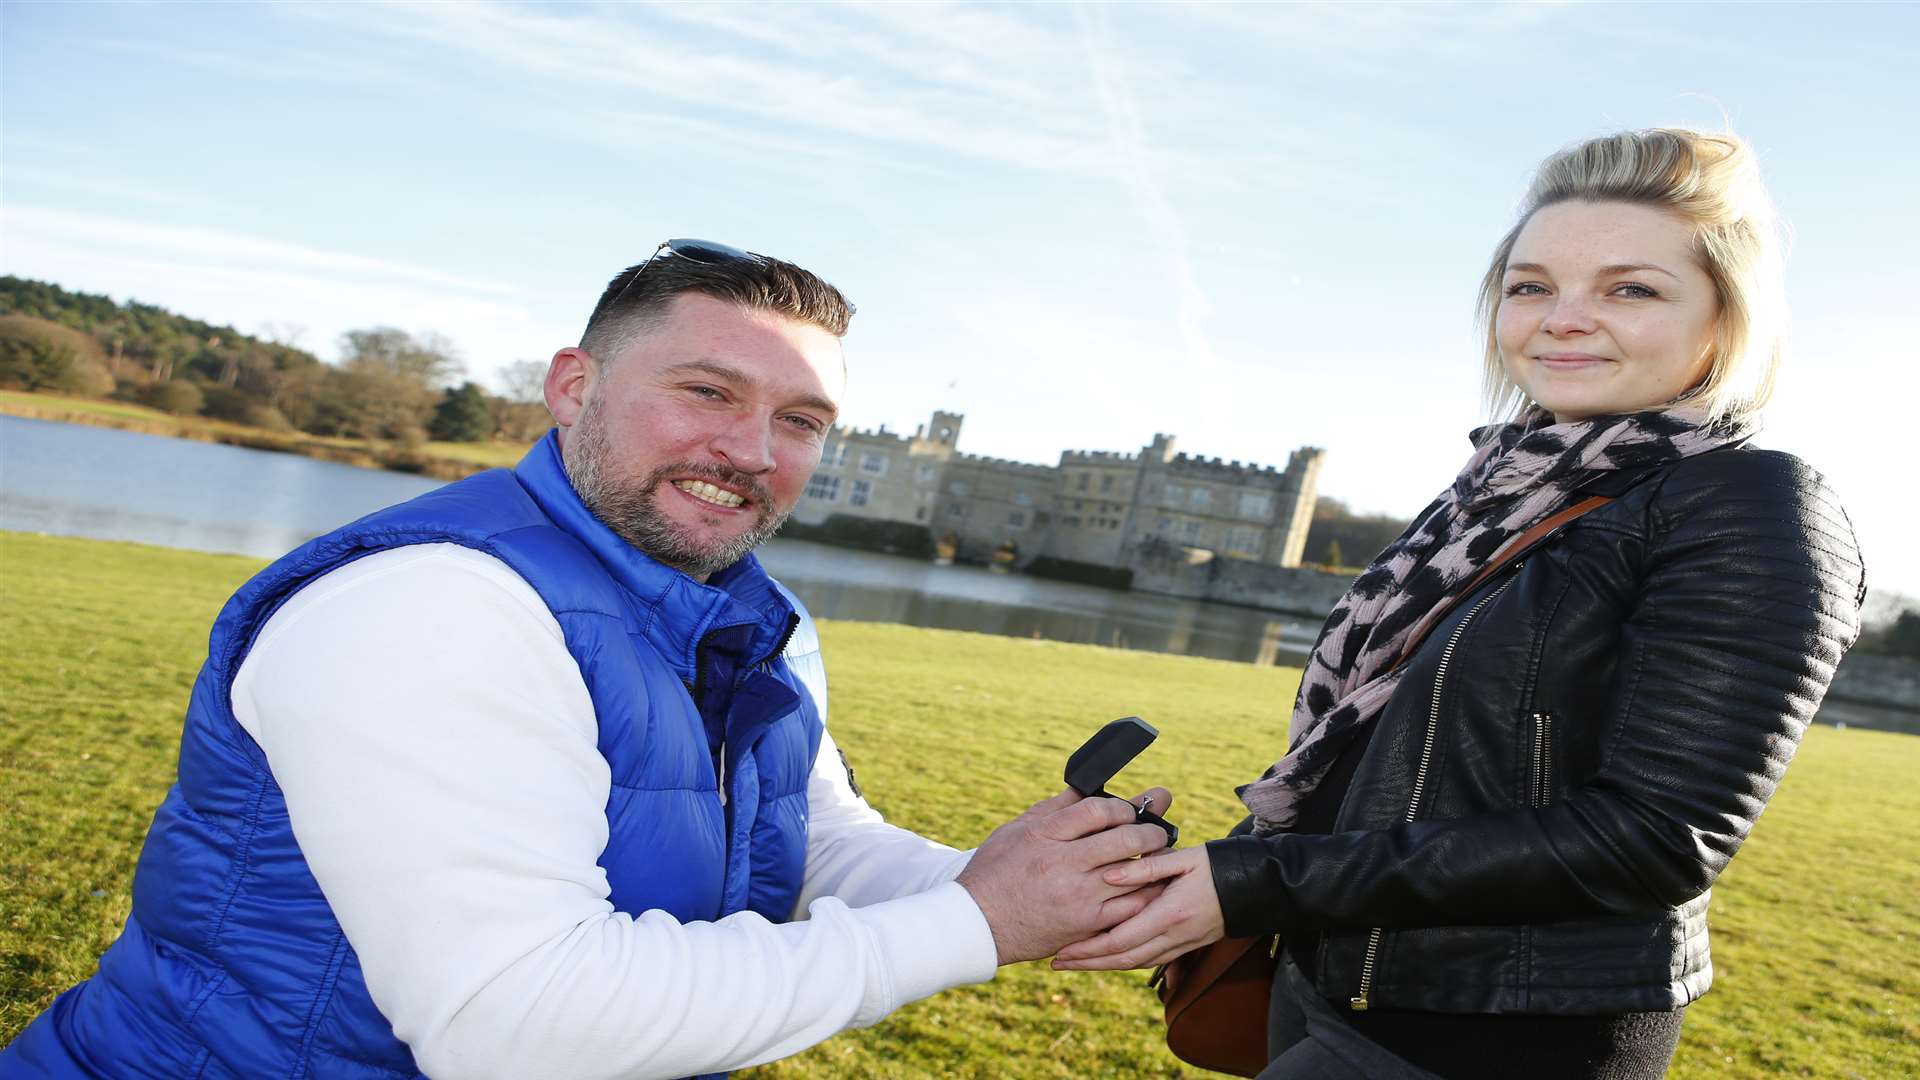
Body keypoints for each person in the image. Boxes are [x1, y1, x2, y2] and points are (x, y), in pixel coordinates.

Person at [2, 240, 1173, 1080]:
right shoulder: (437, 602)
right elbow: (508, 1024)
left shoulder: (748, 610)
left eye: (802, 421)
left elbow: (805, 836)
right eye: (707, 391)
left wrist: (1044, 883)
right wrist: (973, 924)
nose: (753, 450)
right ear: (575, 386)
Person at [1053, 129, 1867, 1079]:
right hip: (1330, 977)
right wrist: (1202, 866)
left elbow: (1650, 841)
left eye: (1630, 288)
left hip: (1495, 1027)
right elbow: (1384, 754)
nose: (1564, 318)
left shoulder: (1753, 504)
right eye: (1531, 286)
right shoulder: (1501, 490)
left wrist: (1253, 885)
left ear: (1726, 322)